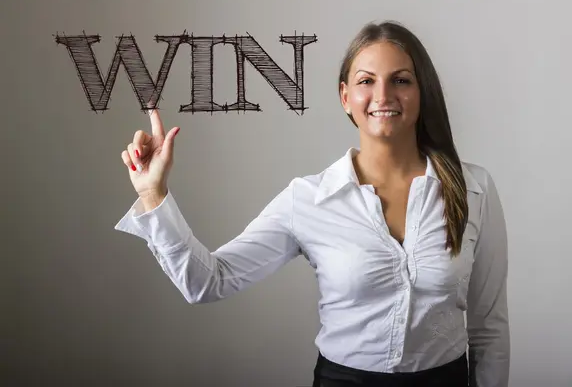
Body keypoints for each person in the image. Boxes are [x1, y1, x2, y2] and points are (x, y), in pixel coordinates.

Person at [115, 20, 510, 387]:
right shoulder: (308, 199)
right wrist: (153, 194)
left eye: (401, 80)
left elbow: (488, 326)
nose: (383, 95)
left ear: (422, 91)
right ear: (345, 96)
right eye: (366, 81)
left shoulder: (474, 189)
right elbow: (209, 281)